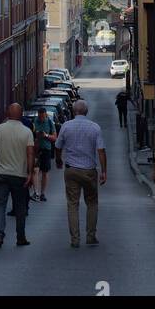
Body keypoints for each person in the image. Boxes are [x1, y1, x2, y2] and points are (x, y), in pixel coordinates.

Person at [54, 98, 106, 248]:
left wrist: (58, 160)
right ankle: (90, 236)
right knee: (92, 203)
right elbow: (101, 151)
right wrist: (104, 171)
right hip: (89, 171)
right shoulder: (95, 127)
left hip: (71, 170)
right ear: (86, 112)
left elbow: (58, 146)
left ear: (73, 111)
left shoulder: (66, 126)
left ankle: (75, 239)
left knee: (72, 204)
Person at [0, 102, 35, 248]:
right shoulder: (26, 132)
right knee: (20, 207)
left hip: (1, 174)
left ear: (8, 113)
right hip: (19, 175)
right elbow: (30, 153)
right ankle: (20, 237)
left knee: (0, 205)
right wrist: (30, 173)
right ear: (21, 114)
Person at [32, 106, 56, 201]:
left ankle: (42, 193)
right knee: (35, 170)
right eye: (40, 117)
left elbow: (54, 138)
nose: (41, 118)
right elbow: (30, 134)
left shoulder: (49, 122)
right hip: (36, 149)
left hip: (46, 149)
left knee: (45, 172)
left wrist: (46, 135)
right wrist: (36, 135)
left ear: (45, 115)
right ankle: (35, 192)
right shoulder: (35, 121)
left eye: (43, 117)